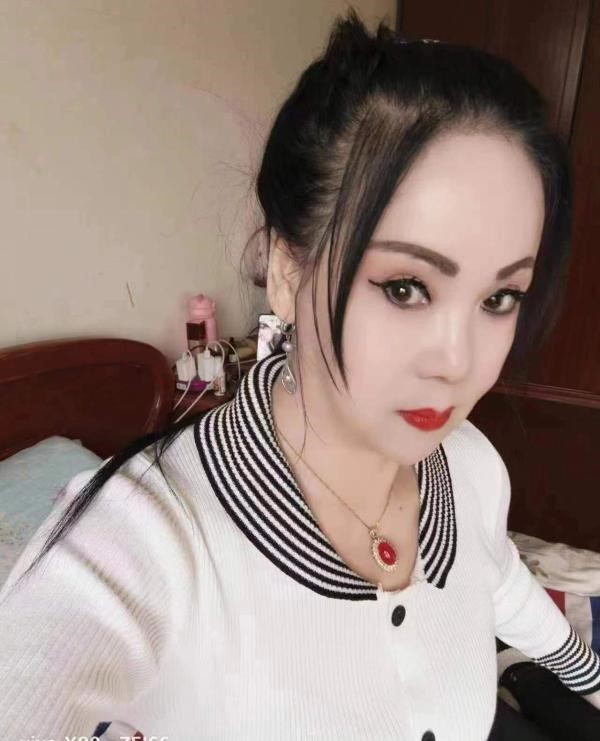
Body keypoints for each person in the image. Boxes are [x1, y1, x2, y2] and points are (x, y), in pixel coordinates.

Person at [1, 8, 599, 740]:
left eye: (499, 298)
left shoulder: (471, 466)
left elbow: (499, 579)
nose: (458, 362)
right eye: (405, 287)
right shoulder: (143, 541)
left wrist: (589, 674)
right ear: (287, 271)